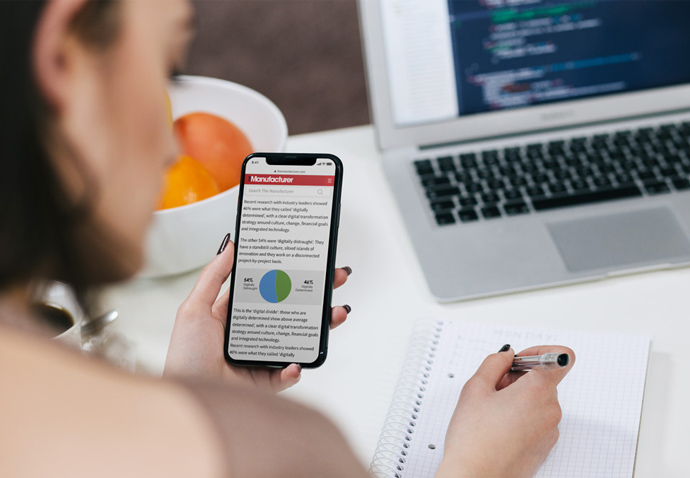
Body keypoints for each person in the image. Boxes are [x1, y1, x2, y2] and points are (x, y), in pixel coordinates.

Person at [0, 1, 575, 477]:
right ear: (61, 58)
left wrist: (191, 391)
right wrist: (481, 466)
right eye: (165, 69)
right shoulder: (271, 456)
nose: (175, 150)